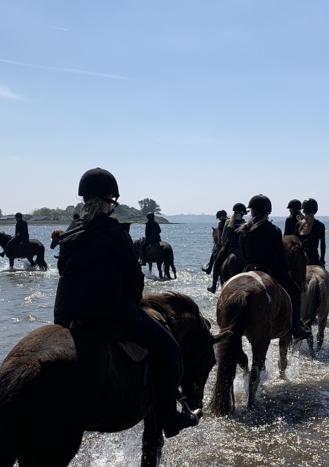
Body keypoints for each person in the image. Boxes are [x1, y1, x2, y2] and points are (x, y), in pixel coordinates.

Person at [53, 168, 199, 437]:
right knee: (170, 351)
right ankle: (169, 417)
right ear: (110, 201)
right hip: (111, 312)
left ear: (84, 199)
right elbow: (133, 276)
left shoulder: (72, 230)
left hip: (67, 313)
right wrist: (133, 303)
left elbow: (63, 269)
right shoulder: (114, 232)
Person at [238, 194, 311, 341]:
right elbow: (281, 255)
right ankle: (296, 328)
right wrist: (286, 270)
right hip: (270, 270)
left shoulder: (244, 230)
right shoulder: (274, 230)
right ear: (267, 211)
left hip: (249, 268)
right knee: (296, 293)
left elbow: (243, 253)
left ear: (253, 211)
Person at [209, 203, 247, 293]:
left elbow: (223, 237)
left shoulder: (228, 222)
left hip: (229, 247)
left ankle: (213, 285)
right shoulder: (244, 223)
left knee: (217, 262)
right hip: (241, 248)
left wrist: (222, 245)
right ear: (241, 213)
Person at [298, 198, 326, 267]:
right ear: (315, 211)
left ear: (304, 211)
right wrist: (322, 260)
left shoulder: (299, 225)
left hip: (301, 260)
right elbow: (322, 245)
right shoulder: (320, 225)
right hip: (315, 259)